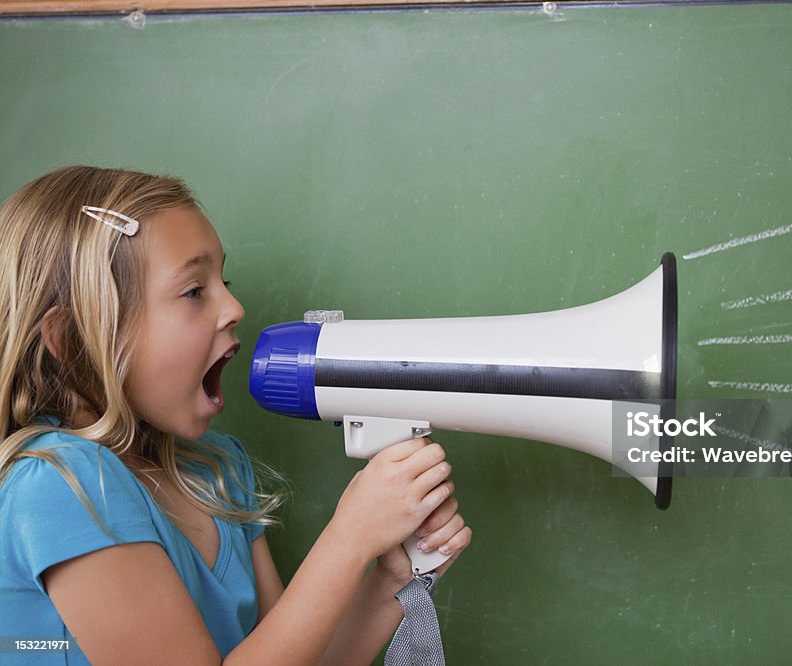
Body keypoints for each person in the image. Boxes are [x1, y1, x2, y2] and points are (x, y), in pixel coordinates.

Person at [0, 165, 471, 665]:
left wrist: (388, 584)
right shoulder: (58, 485)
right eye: (194, 291)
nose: (235, 306)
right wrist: (348, 539)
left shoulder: (217, 471)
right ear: (73, 340)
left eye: (223, 281)